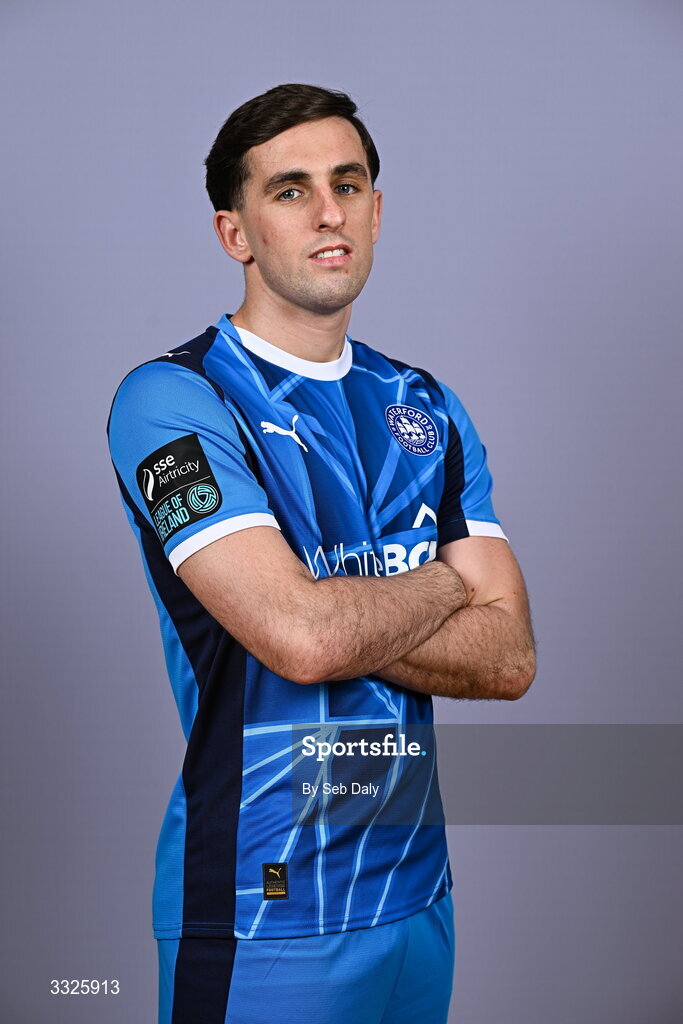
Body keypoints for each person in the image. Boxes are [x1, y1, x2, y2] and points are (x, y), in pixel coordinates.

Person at [106, 82, 535, 1024]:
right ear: (237, 234)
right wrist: (435, 581)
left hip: (418, 893)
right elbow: (301, 642)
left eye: (348, 182)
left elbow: (509, 660)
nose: (328, 210)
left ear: (377, 211)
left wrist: (330, 604)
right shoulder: (172, 404)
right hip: (263, 907)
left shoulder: (424, 406)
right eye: (290, 190)